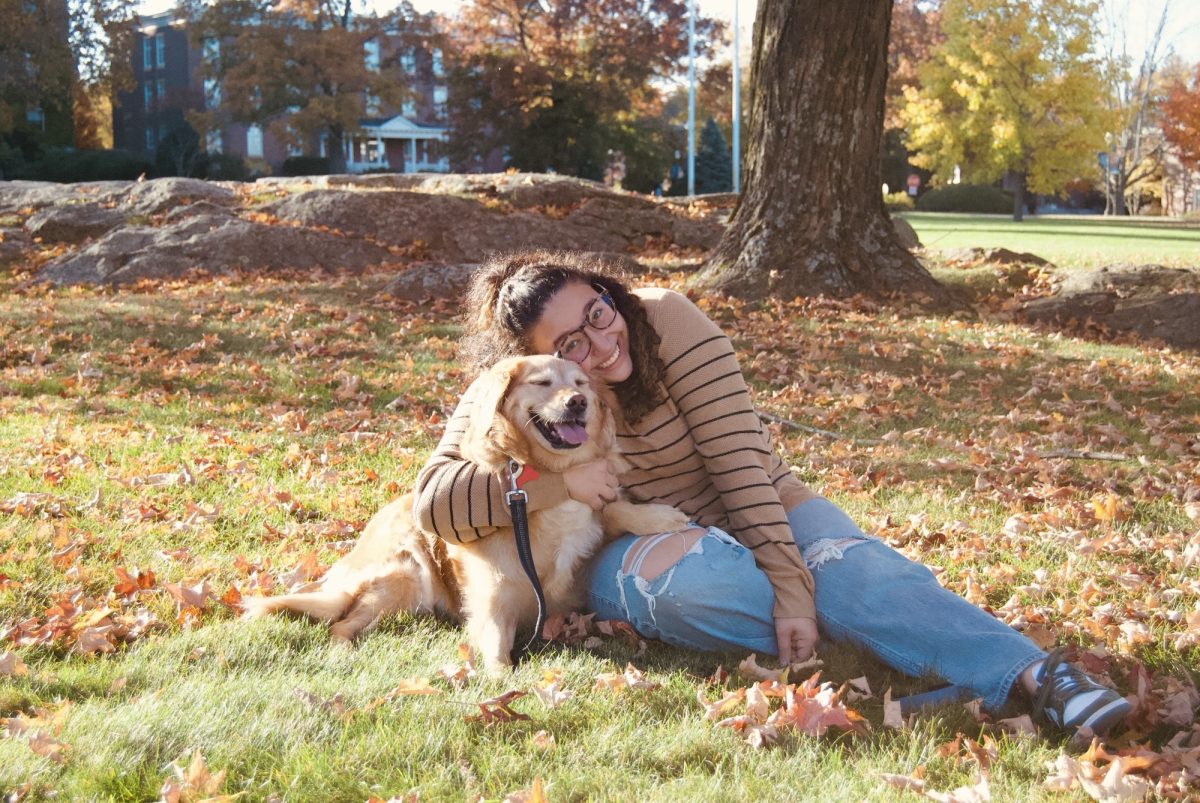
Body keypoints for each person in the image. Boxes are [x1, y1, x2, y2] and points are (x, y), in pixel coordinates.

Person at [412, 251, 1131, 735]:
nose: (597, 347)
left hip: (754, 502)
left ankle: (1039, 676)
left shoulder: (667, 320)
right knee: (693, 588)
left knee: (849, 567)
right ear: (536, 357)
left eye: (597, 314)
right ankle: (910, 654)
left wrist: (790, 579)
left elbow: (741, 465)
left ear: (610, 296)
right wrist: (557, 483)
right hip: (634, 542)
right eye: (567, 346)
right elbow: (435, 502)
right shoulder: (510, 385)